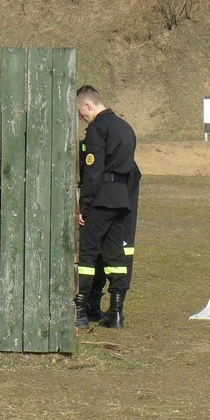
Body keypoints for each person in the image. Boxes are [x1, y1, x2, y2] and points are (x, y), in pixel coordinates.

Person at [75, 85, 137, 329]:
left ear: (88, 105)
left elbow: (93, 171)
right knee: (115, 256)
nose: (81, 117)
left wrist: (84, 206)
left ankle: (80, 312)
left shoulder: (97, 129)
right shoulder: (126, 128)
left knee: (88, 254)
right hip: (122, 199)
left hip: (101, 199)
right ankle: (116, 313)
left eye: (81, 112)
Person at [88, 161, 140, 323]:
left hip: (112, 202)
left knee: (100, 250)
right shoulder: (126, 162)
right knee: (119, 253)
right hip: (123, 206)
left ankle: (98, 306)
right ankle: (114, 310)